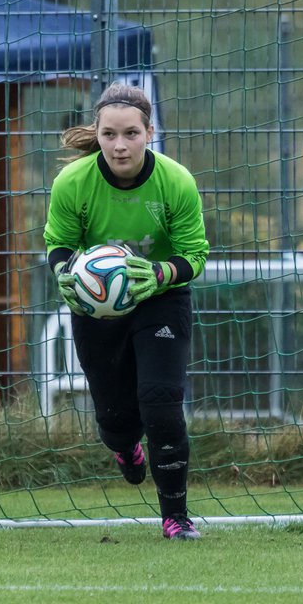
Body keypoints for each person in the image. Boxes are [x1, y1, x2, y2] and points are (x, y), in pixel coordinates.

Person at [44, 82, 209, 540]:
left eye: (131, 134)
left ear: (149, 132)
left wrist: (156, 276)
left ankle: (176, 516)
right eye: (110, 134)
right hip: (96, 307)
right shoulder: (72, 183)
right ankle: (124, 446)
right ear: (95, 133)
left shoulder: (176, 182)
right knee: (116, 421)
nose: (120, 145)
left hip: (161, 297)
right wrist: (65, 275)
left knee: (161, 403)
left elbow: (194, 256)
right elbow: (57, 243)